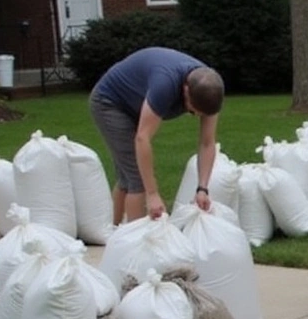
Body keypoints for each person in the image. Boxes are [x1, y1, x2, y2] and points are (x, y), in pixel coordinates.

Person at [89, 47, 224, 221]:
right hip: (110, 102)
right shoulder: (165, 84)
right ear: (185, 90)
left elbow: (207, 142)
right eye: (192, 111)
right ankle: (135, 244)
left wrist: (202, 188)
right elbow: (142, 138)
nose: (196, 116)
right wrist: (152, 194)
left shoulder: (211, 91)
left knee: (126, 177)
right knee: (136, 180)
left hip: (136, 102)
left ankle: (113, 233)